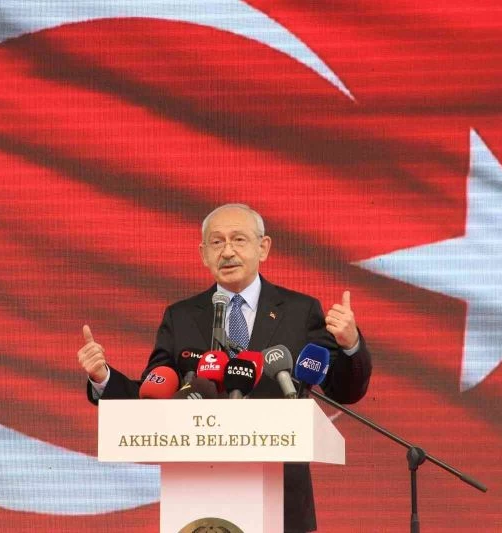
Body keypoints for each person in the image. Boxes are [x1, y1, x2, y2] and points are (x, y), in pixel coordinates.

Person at [77, 203, 372, 532]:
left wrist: (350, 345)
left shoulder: (299, 311)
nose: (227, 251)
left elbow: (344, 390)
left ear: (263, 247)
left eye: (239, 239)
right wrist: (103, 379)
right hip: (199, 500)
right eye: (217, 242)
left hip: (281, 499)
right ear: (203, 254)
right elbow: (155, 391)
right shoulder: (181, 316)